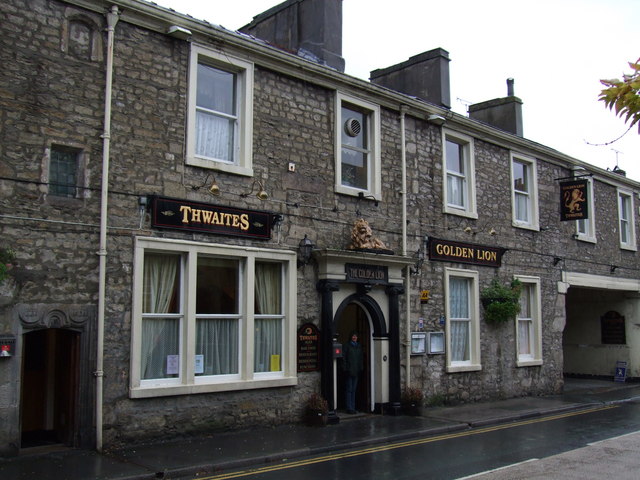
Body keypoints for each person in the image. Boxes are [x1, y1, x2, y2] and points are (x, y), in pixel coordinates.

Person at [342, 331, 363, 414]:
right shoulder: (347, 346)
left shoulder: (359, 346)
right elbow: (344, 357)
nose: (354, 337)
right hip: (349, 371)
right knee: (349, 390)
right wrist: (345, 368)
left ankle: (353, 407)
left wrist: (361, 368)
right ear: (351, 337)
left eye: (356, 336)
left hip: (356, 371)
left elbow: (361, 358)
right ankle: (349, 407)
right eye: (353, 336)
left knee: (354, 390)